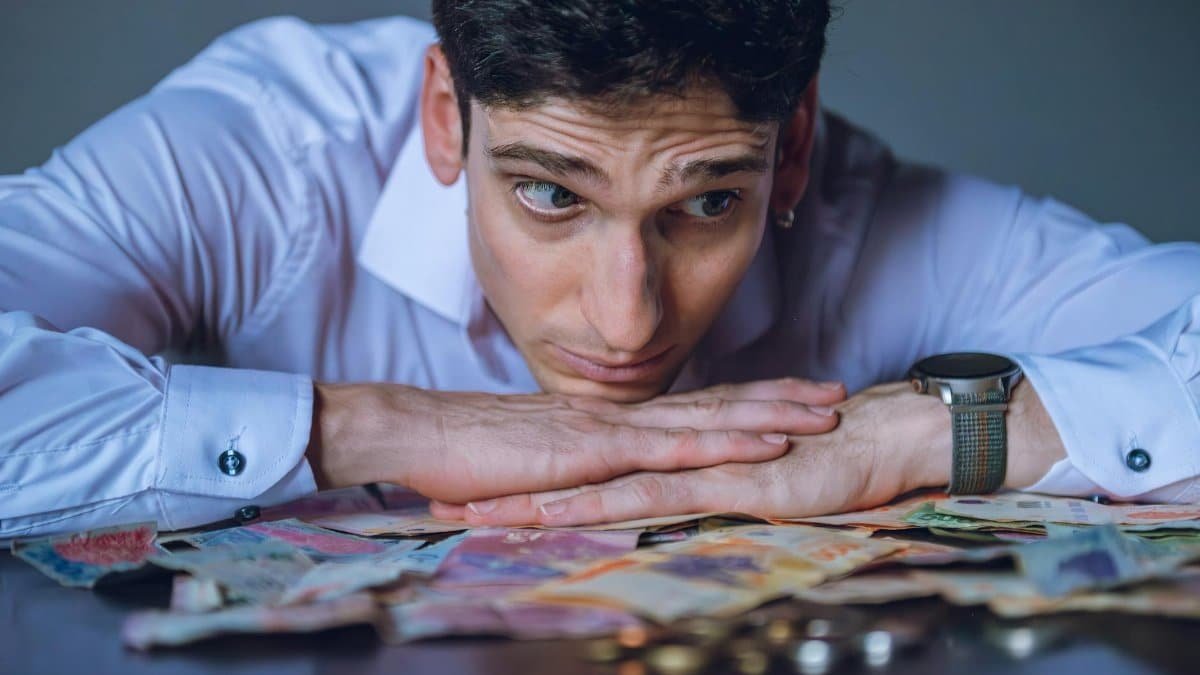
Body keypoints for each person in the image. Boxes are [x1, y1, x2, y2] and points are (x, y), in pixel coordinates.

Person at [2, 1, 1198, 539]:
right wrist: (360, 427)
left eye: (706, 202)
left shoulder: (870, 216)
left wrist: (914, 436)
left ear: (793, 150)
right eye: (549, 194)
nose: (625, 320)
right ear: (441, 117)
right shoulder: (266, 152)